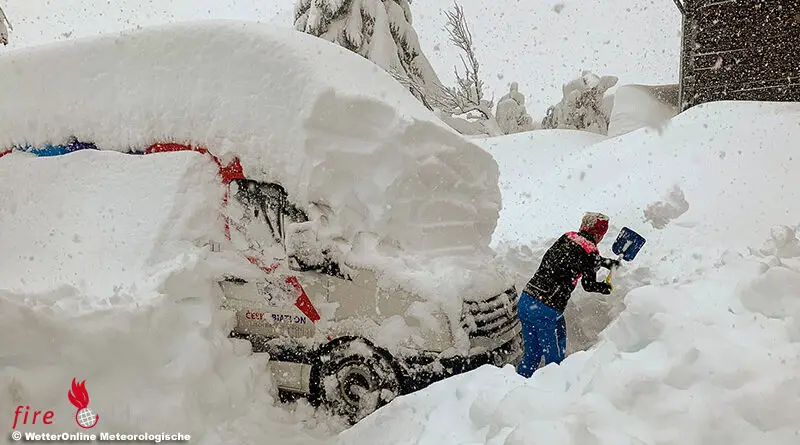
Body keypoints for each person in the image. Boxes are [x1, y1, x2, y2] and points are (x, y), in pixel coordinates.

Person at [516, 212, 620, 377]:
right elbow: (588, 284)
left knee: (532, 354)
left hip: (526, 301)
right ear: (599, 234)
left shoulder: (567, 237)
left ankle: (518, 383)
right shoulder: (591, 252)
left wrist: (606, 263)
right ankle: (555, 392)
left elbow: (572, 257)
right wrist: (605, 288)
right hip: (546, 310)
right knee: (554, 361)